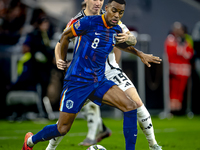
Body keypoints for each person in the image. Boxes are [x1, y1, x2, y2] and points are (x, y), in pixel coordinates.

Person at [22, 0, 162, 150]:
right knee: (62, 128)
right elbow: (64, 37)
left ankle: (146, 145)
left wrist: (139, 53)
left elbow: (123, 43)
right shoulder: (87, 22)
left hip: (99, 80)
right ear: (107, 8)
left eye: (120, 13)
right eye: (114, 11)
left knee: (131, 106)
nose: (116, 15)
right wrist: (62, 62)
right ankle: (30, 141)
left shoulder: (115, 28)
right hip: (78, 82)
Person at [165, 22, 194, 113]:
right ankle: (173, 110)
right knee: (173, 90)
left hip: (184, 70)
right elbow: (171, 53)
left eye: (180, 29)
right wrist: (181, 51)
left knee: (181, 91)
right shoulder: (170, 39)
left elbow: (190, 53)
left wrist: (182, 52)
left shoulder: (187, 39)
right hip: (174, 69)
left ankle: (179, 110)